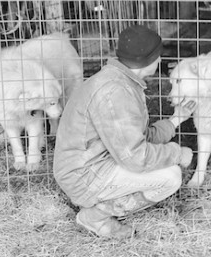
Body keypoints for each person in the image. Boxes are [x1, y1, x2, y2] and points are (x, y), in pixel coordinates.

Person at [54, 24, 195, 239]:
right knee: (170, 176)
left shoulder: (121, 81)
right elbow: (136, 157)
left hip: (95, 162)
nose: (160, 60)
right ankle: (95, 216)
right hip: (84, 174)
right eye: (158, 56)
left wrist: (176, 119)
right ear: (149, 60)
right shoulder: (115, 93)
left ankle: (101, 206)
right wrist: (176, 153)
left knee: (164, 167)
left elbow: (137, 138)